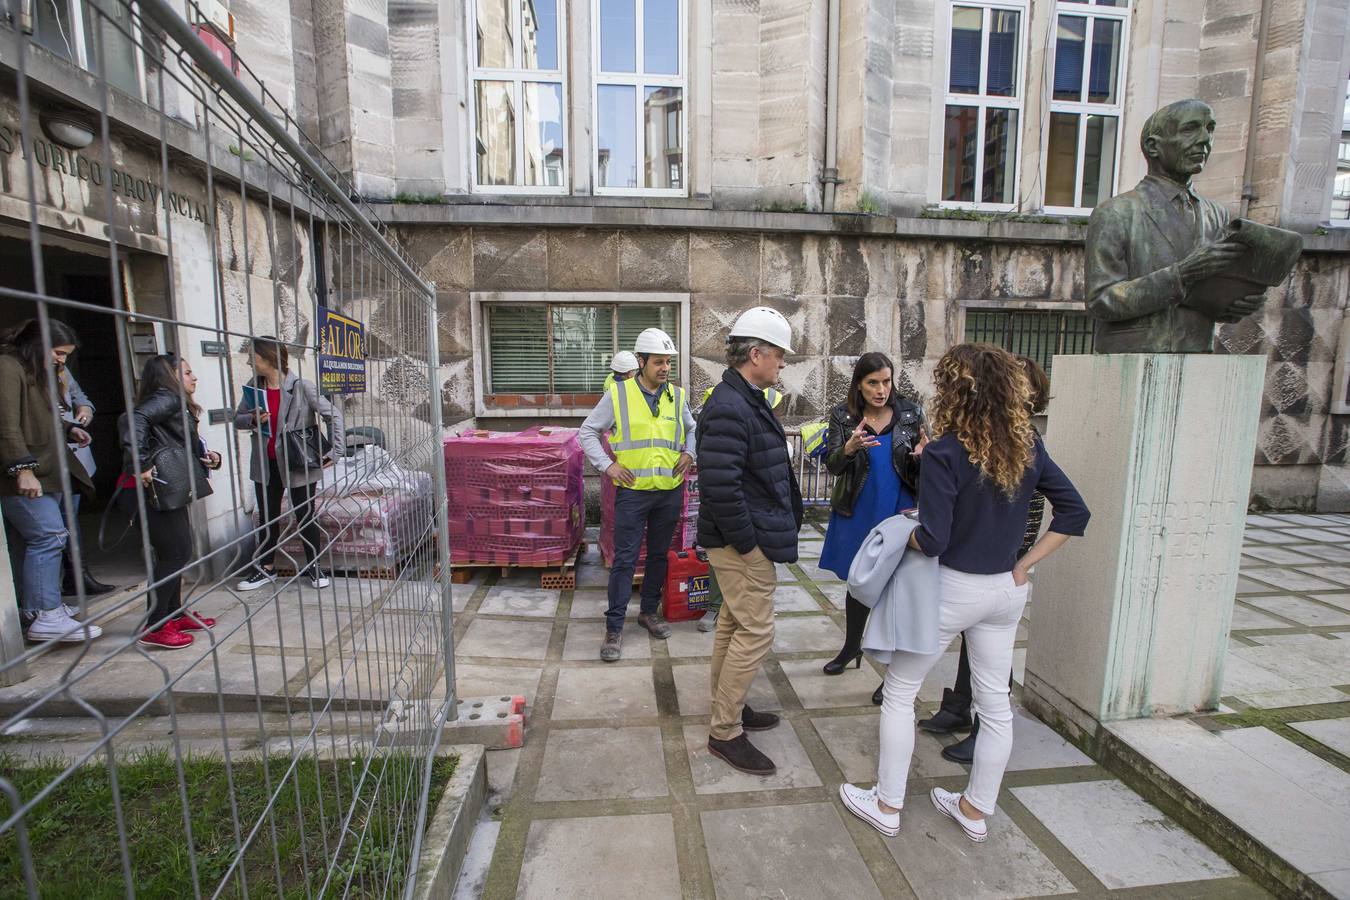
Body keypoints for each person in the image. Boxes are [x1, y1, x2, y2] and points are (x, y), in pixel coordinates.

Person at [839, 343, 1088, 842]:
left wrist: (899, 531)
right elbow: (1075, 513)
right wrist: (1024, 565)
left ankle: (887, 804)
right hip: (1005, 590)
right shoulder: (1028, 446)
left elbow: (933, 538)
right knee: (996, 705)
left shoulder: (947, 452)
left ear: (959, 392)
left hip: (951, 589)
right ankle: (975, 809)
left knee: (900, 693)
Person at [920, 355, 1050, 762]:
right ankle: (960, 706)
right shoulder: (987, 437)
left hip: (1003, 548)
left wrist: (1023, 562)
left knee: (986, 649)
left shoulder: (1023, 439)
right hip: (987, 547)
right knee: (977, 636)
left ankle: (980, 724)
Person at [698, 306, 802, 776]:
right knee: (755, 631)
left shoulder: (747, 397)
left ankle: (729, 709)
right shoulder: (729, 404)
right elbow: (721, 488)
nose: (782, 363)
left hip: (744, 538)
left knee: (733, 625)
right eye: (778, 354)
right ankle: (725, 732)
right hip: (742, 542)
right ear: (755, 353)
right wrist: (749, 546)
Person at [579, 328, 695, 660]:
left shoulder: (677, 396)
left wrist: (690, 453)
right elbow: (587, 431)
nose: (665, 369)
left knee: (659, 557)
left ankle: (647, 613)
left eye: (668, 363)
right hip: (632, 493)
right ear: (641, 362)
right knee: (624, 561)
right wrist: (607, 466)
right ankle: (614, 628)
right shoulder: (618, 395)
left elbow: (692, 427)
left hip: (669, 492)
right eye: (658, 362)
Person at [819, 353, 925, 708]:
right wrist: (848, 448)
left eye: (887, 381)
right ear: (859, 385)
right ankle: (851, 646)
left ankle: (893, 672)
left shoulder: (910, 413)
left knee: (896, 587)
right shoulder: (842, 414)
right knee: (858, 580)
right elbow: (833, 465)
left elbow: (928, 461)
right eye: (873, 383)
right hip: (858, 506)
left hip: (897, 507)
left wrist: (925, 457)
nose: (882, 390)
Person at [0, 319, 102, 642]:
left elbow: (41, 418)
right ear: (38, 344)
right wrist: (22, 469)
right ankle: (46, 614)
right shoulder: (8, 367)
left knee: (33, 541)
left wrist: (69, 428)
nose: (62, 360)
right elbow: (7, 425)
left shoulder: (36, 371)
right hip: (28, 474)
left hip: (50, 471)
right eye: (58, 353)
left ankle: (40, 608)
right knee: (49, 537)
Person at [118, 354, 222, 649]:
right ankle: (156, 625)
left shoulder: (172, 402)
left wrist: (209, 460)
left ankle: (173, 615)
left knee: (176, 552)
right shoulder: (167, 398)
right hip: (149, 490)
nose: (194, 378)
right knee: (176, 552)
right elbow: (136, 419)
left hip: (166, 488)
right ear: (170, 376)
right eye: (187, 372)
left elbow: (175, 443)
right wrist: (139, 464)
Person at [234, 336, 345, 591]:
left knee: (305, 515)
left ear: (270, 358)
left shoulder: (301, 387)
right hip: (265, 464)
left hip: (298, 462)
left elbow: (333, 416)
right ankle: (266, 569)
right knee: (267, 518)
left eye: (255, 356)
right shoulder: (254, 387)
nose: (251, 361)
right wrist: (252, 418)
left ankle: (314, 566)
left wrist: (335, 452)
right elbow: (237, 419)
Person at [697, 384, 785, 634]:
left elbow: (774, 438)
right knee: (724, 559)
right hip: (732, 505)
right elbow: (717, 464)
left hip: (762, 505)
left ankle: (751, 608)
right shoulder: (720, 397)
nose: (780, 364)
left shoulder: (770, 396)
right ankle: (716, 605)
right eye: (776, 355)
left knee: (758, 568)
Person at [56, 359, 115, 597]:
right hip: (47, 459)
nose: (61, 359)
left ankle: (78, 576)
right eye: (58, 352)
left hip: (74, 455)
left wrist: (85, 409)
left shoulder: (62, 369)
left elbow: (80, 395)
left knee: (70, 521)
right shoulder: (22, 370)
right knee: (51, 532)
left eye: (66, 354)